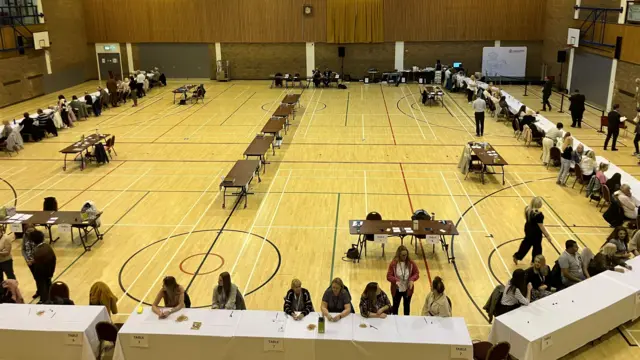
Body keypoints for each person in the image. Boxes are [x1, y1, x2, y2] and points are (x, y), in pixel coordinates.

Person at [513, 197, 553, 265]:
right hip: (535, 232)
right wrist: (548, 236)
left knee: (526, 244)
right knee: (537, 247)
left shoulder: (527, 209)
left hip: (528, 228)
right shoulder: (539, 214)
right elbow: (541, 227)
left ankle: (517, 256)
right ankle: (534, 261)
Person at [386, 245, 419, 315]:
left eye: (406, 255)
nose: (405, 257)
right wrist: (396, 280)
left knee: (407, 308)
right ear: (399, 255)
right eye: (403, 255)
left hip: (408, 289)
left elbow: (416, 273)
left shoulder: (411, 263)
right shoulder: (393, 264)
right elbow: (388, 276)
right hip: (396, 289)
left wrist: (412, 280)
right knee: (395, 308)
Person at [32, 230, 56, 303]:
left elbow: (39, 265)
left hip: (41, 273)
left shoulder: (37, 251)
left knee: (43, 287)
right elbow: (54, 259)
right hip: (49, 271)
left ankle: (44, 301)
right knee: (48, 285)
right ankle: (51, 298)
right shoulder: (47, 246)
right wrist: (51, 272)